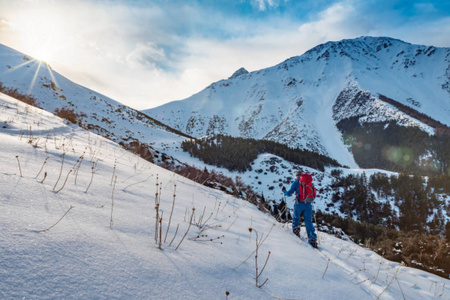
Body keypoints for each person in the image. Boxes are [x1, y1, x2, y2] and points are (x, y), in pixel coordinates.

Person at [282, 171, 317, 247]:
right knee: (308, 221)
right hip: (308, 204)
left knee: (296, 217)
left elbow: (289, 193)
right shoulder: (308, 182)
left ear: (296, 176)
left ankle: (296, 230)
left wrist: (284, 191)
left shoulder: (296, 183)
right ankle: (312, 238)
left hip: (299, 203)